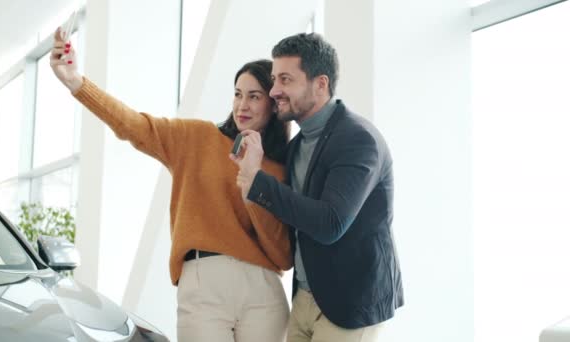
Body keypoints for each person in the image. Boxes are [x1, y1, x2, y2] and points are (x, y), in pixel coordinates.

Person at [49, 27, 292, 342]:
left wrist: (254, 178)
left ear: (273, 104)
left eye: (254, 96)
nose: (242, 105)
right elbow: (134, 125)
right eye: (237, 93)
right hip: (203, 283)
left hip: (264, 293)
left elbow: (282, 254)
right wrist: (76, 82)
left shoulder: (281, 167)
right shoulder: (197, 138)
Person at [231, 33, 404, 342]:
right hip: (305, 298)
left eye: (285, 79)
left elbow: (330, 223)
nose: (275, 91)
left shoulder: (358, 139)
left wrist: (258, 181)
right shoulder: (297, 144)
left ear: (320, 84)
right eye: (274, 80)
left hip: (349, 306)